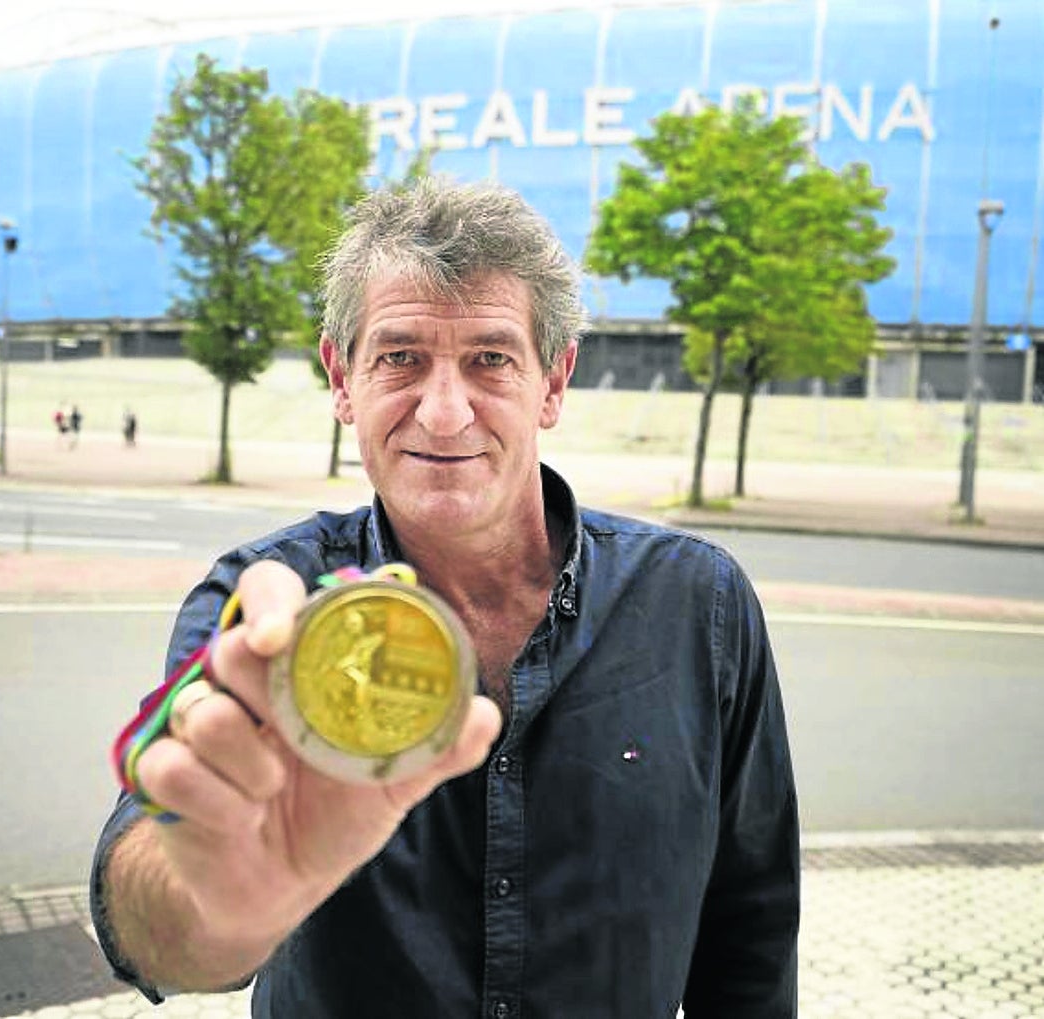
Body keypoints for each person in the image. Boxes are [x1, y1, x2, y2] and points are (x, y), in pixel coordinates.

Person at [90, 177, 799, 1017]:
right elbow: (149, 914)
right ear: (340, 377)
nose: (444, 411)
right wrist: (215, 904)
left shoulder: (699, 603)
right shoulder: (263, 610)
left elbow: (749, 931)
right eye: (399, 358)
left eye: (490, 359)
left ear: (553, 381)